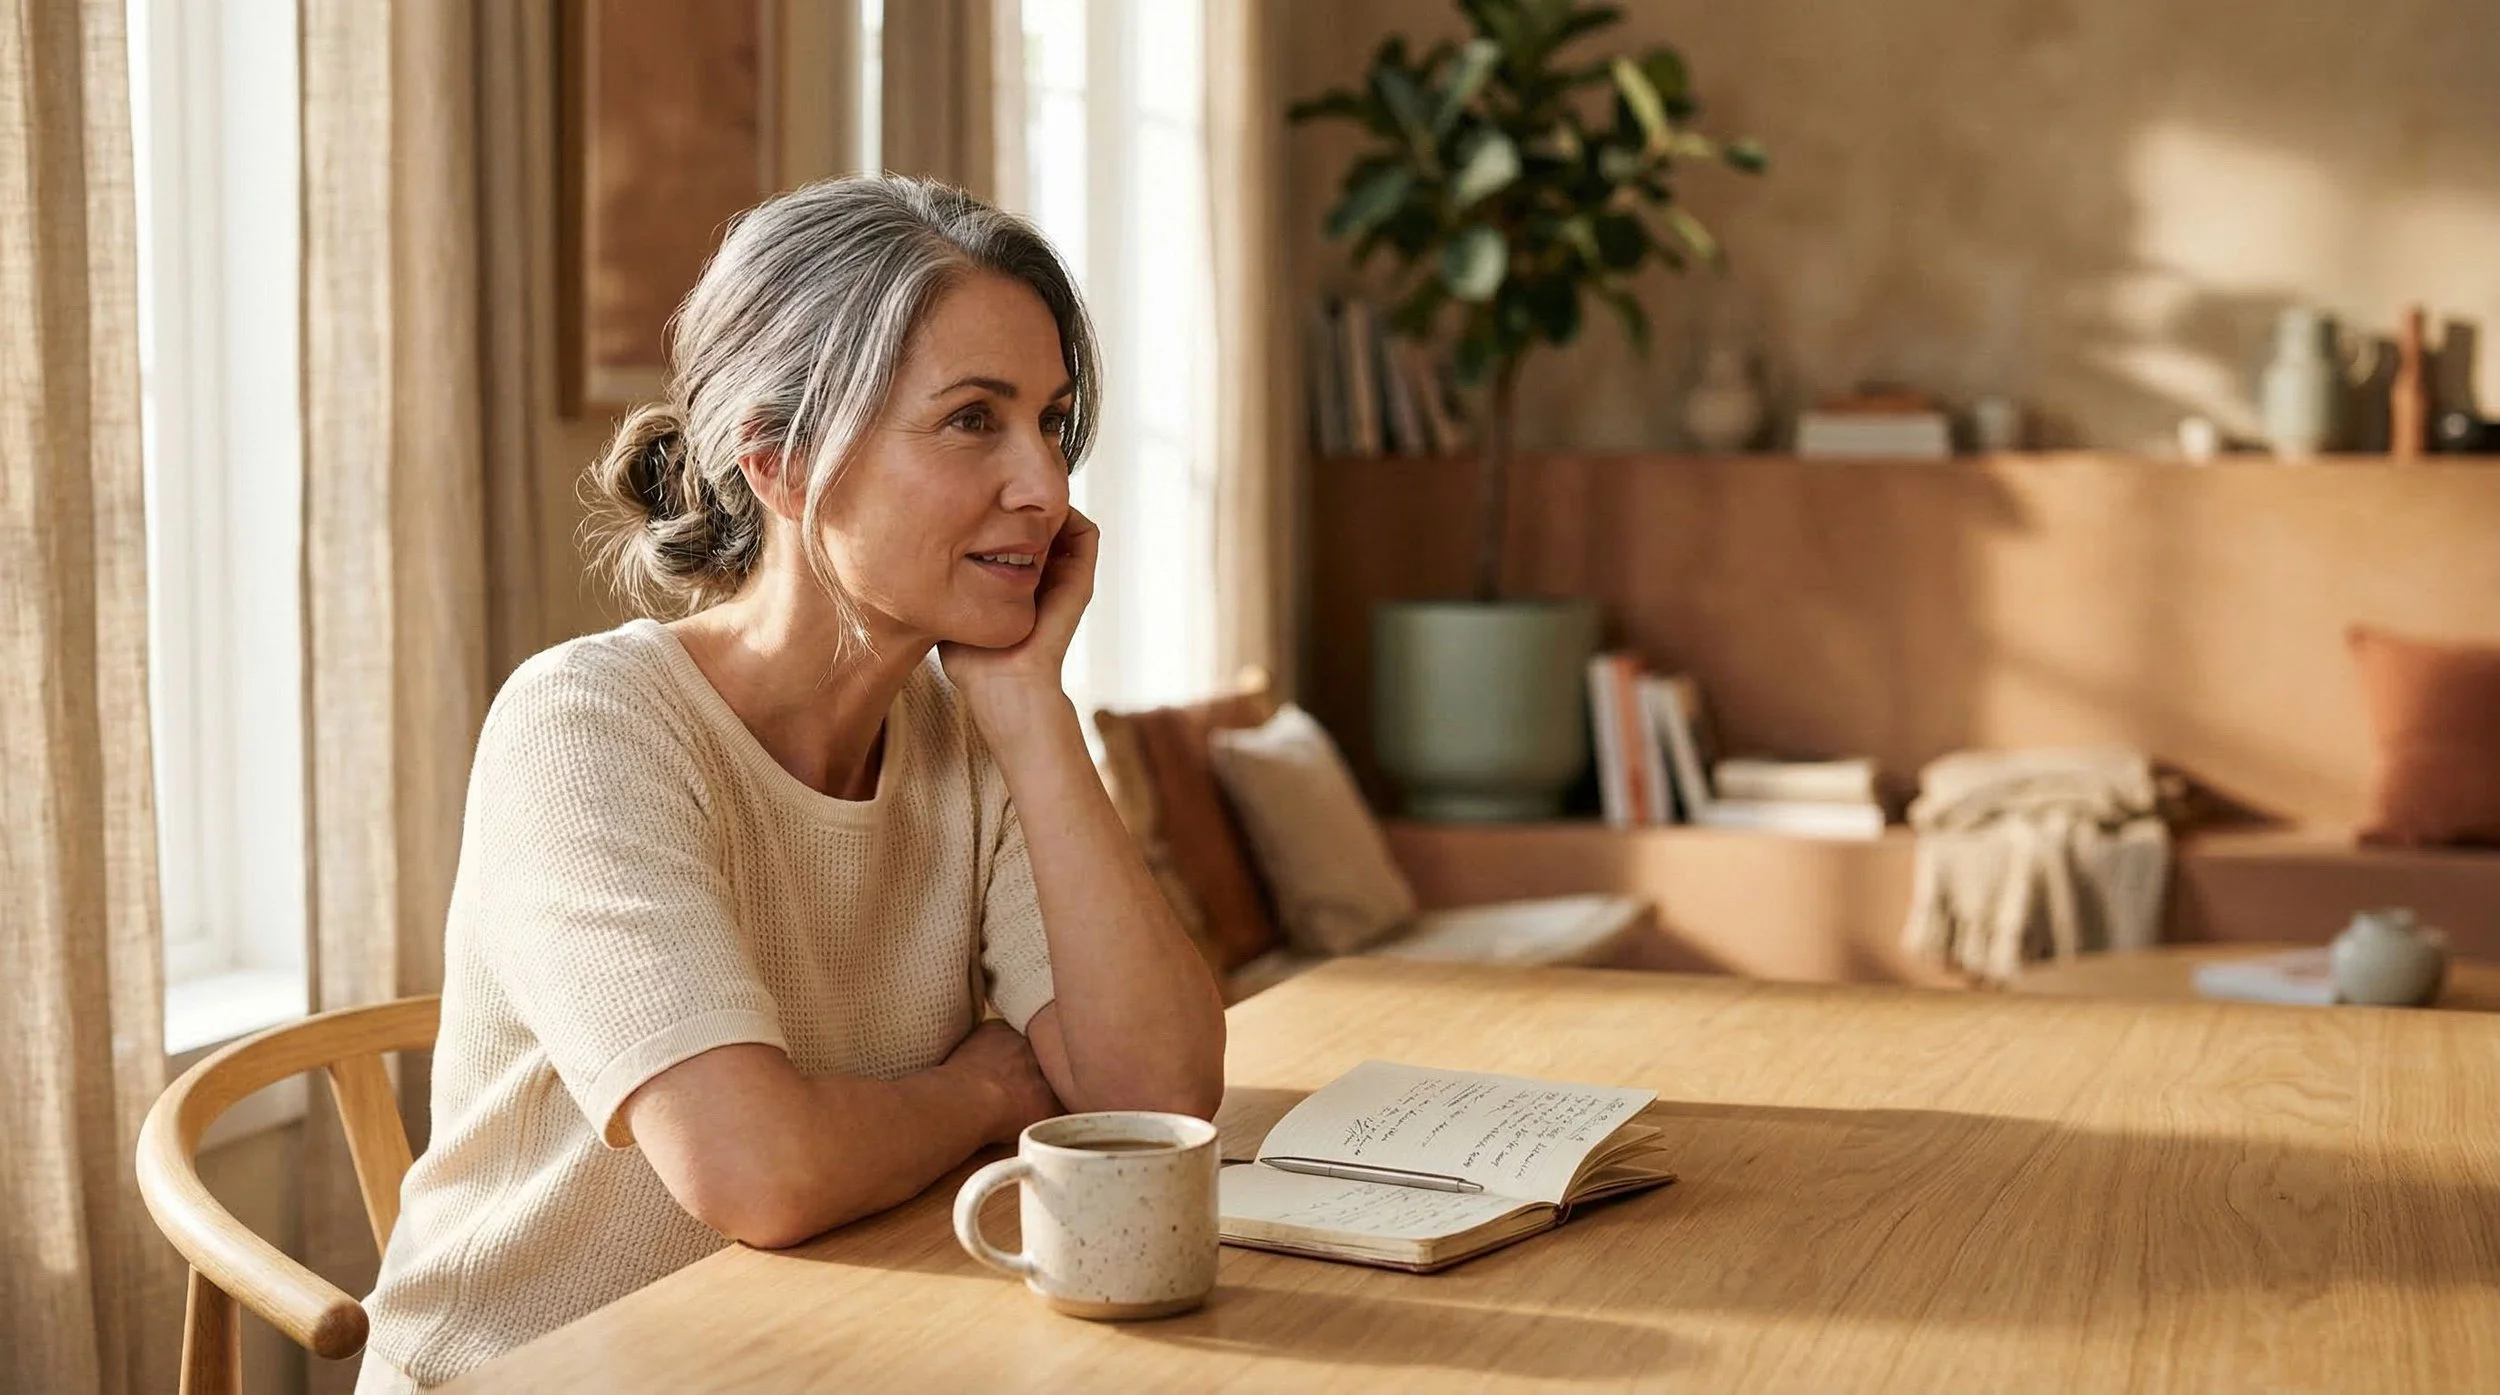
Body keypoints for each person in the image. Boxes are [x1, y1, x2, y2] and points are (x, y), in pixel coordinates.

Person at [355, 176, 1228, 1392]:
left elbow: (1155, 1104)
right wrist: (984, 1085)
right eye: (974, 420)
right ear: (781, 464)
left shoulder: (973, 725)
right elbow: (758, 1174)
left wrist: (1034, 713)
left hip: (831, 1349)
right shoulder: (588, 727)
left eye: (1050, 419)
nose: (1046, 488)